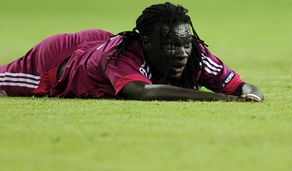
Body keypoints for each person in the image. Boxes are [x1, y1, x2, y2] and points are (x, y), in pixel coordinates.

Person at [0, 2, 264, 102]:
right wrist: (220, 100)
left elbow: (243, 86)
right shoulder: (123, 55)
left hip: (95, 44)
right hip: (55, 64)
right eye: (171, 45)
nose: (182, 52)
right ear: (147, 42)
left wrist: (251, 95)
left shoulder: (195, 55)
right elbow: (142, 92)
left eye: (186, 44)